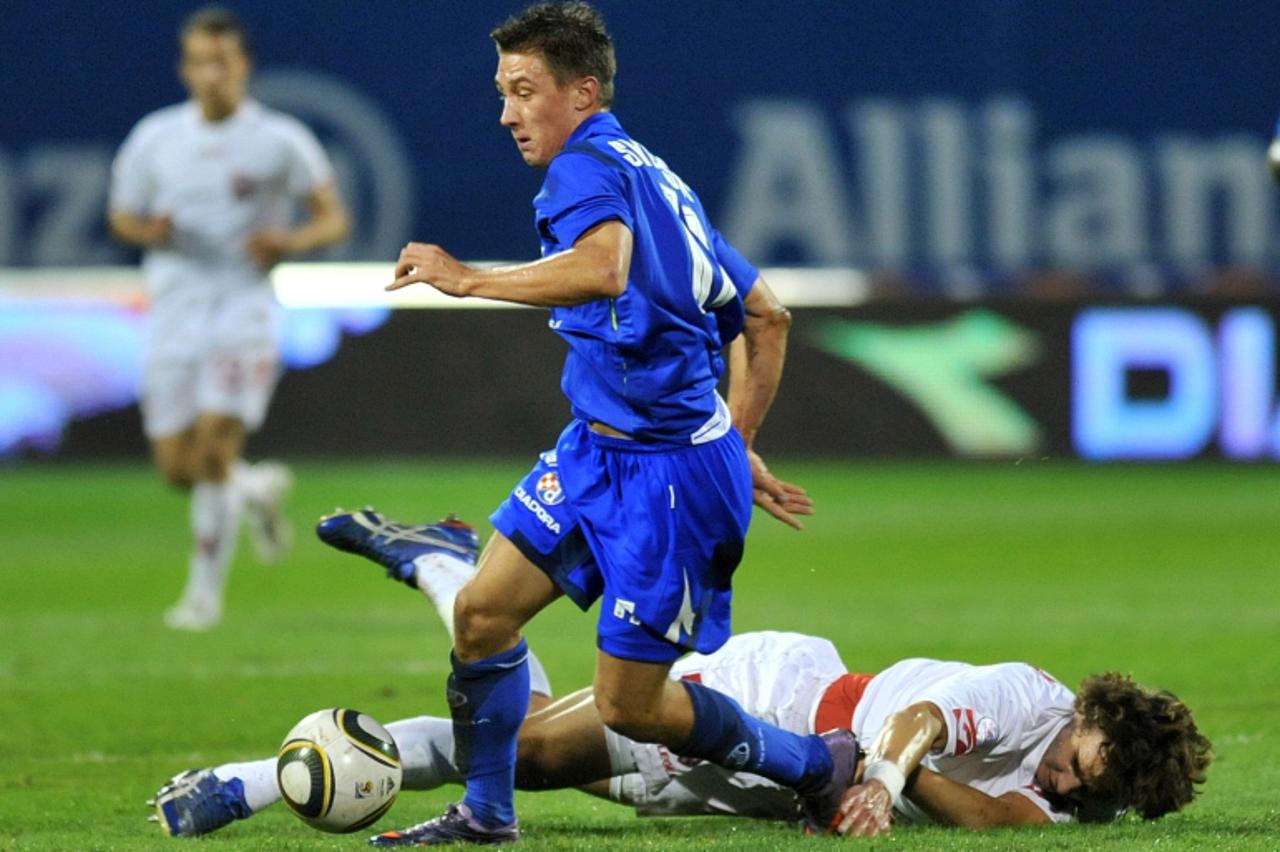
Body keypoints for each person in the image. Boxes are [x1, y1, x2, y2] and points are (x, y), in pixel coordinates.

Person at [379, 2, 830, 845]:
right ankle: (487, 815)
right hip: (597, 455)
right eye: (502, 91)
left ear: (582, 92)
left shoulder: (583, 171)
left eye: (524, 90)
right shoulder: (656, 175)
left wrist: (465, 279)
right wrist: (740, 441)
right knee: (482, 614)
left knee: (633, 708)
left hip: (669, 485)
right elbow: (765, 316)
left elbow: (603, 267)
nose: (507, 112)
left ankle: (814, 765)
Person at [149, 510, 1213, 839]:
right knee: (511, 751)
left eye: (1099, 793)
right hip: (772, 694)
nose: (1074, 786)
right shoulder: (1031, 695)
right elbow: (925, 721)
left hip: (756, 782)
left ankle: (437, 561)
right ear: (1088, 712)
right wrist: (876, 780)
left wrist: (859, 783)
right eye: (1085, 763)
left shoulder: (1073, 811)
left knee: (519, 759)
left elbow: (990, 824)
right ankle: (247, 781)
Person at [107, 6, 350, 631]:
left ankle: (202, 597)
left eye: (224, 61)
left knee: (214, 449)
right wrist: (149, 230)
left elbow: (333, 216)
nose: (213, 74)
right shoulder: (154, 137)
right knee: (177, 468)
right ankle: (256, 489)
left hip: (242, 308)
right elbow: (121, 217)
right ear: (185, 70)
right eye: (200, 62)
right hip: (175, 307)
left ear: (243, 66)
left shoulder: (279, 139)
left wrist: (287, 242)